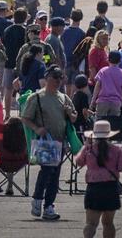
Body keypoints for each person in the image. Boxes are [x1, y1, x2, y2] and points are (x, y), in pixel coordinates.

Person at [21, 66, 77, 221]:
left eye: (60, 78)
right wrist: (37, 129)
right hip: (45, 141)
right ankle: (38, 199)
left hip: (60, 142)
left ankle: (49, 206)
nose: (58, 81)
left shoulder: (64, 97)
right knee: (47, 171)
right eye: (55, 78)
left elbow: (74, 118)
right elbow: (25, 118)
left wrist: (69, 113)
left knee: (55, 175)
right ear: (47, 78)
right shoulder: (37, 97)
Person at [75, 120, 122, 238]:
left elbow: (78, 162)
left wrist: (86, 145)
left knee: (91, 224)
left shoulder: (89, 149)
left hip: (93, 189)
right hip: (110, 188)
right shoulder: (117, 150)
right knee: (108, 223)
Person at [91, 50, 122, 119]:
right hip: (116, 102)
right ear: (120, 60)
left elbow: (97, 87)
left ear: (108, 60)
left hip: (102, 101)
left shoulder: (103, 71)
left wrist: (93, 100)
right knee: (114, 124)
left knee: (100, 123)